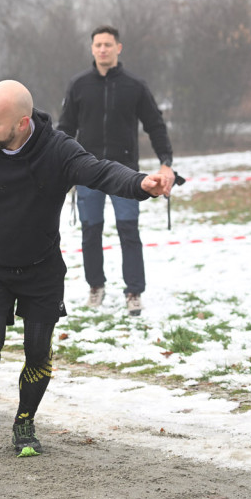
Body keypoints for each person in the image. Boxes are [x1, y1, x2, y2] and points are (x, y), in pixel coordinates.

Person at [0, 79, 174, 457]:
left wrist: (141, 183)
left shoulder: (57, 150)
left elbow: (100, 171)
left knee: (37, 352)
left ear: (23, 123)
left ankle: (25, 422)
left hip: (40, 268)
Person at [57, 25, 175, 316]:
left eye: (108, 44)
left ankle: (134, 291)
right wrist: (61, 165)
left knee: (128, 230)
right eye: (98, 44)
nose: (103, 49)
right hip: (87, 172)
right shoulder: (79, 85)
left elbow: (155, 124)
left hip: (126, 175)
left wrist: (165, 161)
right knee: (90, 231)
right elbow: (65, 130)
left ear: (118, 48)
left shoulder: (135, 85)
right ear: (92, 48)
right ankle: (95, 286)